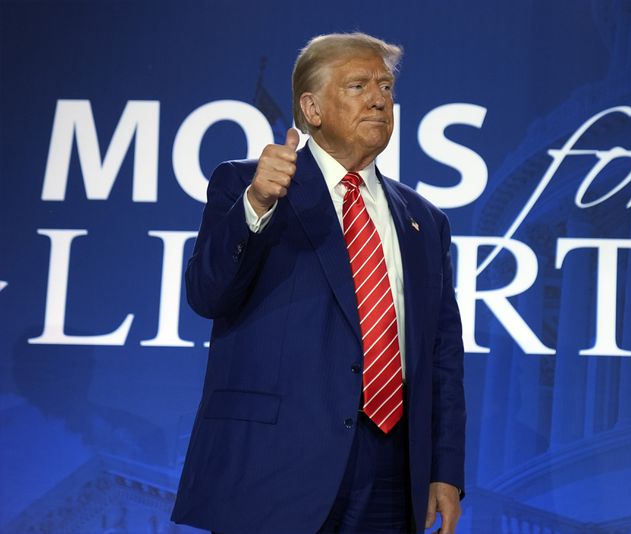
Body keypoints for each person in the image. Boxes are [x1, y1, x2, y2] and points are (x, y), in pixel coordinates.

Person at [171, 32, 465, 534]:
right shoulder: (249, 184)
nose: (379, 98)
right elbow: (207, 293)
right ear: (312, 108)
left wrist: (445, 470)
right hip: (273, 471)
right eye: (358, 85)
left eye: (386, 87)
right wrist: (257, 205)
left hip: (392, 480)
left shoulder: (424, 220)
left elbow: (441, 355)